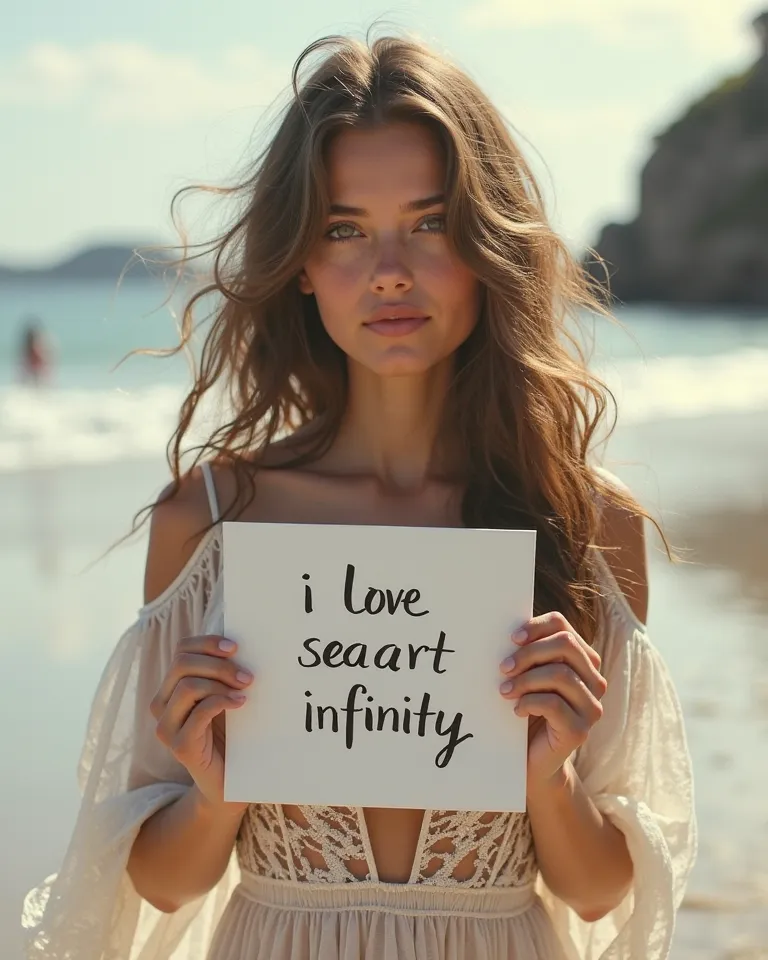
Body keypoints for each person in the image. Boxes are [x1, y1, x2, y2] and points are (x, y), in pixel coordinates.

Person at [22, 31, 696, 960]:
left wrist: (552, 780)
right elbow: (161, 881)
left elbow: (596, 892)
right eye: (345, 228)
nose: (389, 268)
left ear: (485, 241)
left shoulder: (588, 525)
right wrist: (216, 792)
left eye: (429, 222)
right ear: (300, 261)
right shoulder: (212, 520)